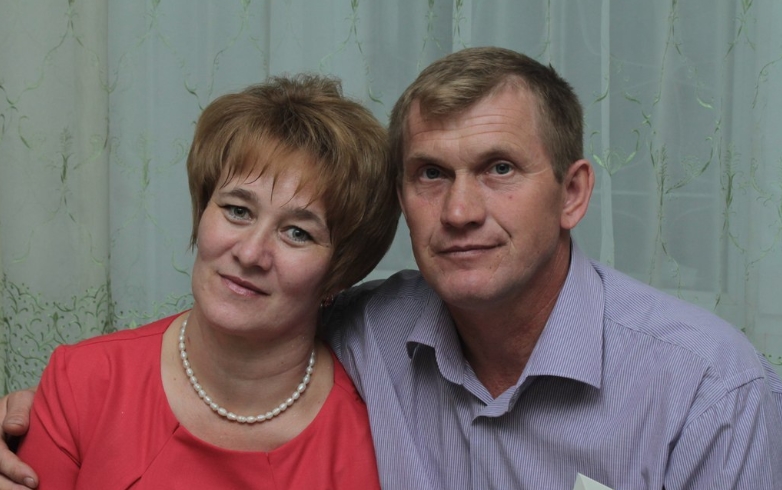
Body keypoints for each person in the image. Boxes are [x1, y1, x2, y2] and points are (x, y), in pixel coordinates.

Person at [2, 47, 782, 490]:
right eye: (431, 173)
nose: (461, 210)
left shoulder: (707, 393)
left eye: (500, 168)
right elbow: (241, 324)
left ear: (573, 193)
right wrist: (56, 408)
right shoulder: (376, 332)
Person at [5, 74, 399, 489]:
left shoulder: (371, 440)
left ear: (341, 272)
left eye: (297, 233)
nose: (250, 253)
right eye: (237, 210)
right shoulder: (85, 381)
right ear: (201, 212)